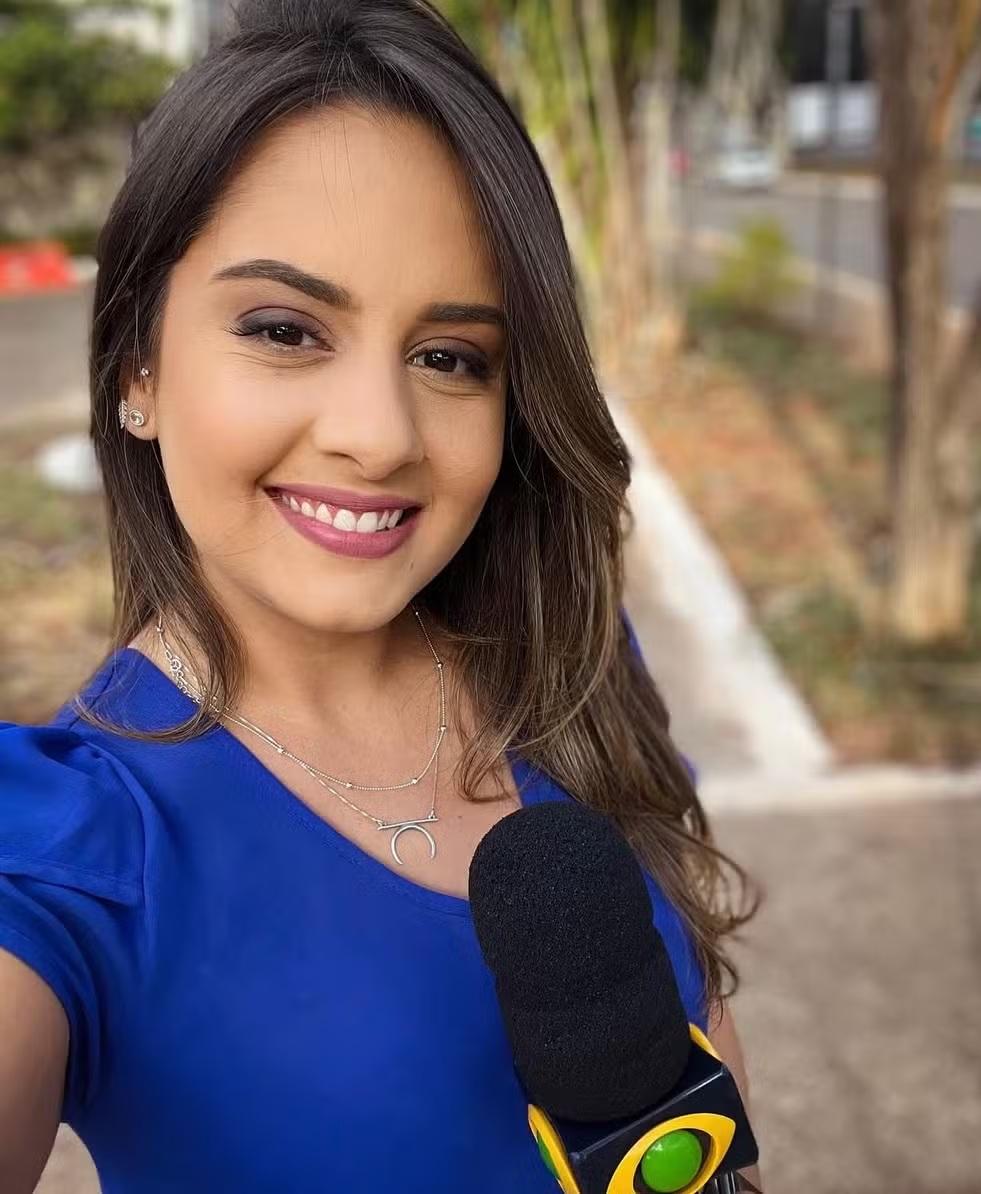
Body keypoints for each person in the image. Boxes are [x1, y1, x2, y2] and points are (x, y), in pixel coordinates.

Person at [0, 2, 760, 1190]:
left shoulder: (569, 663)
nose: (380, 435)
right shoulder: (64, 849)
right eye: (285, 330)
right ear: (137, 366)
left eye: (450, 357)